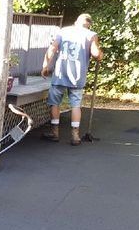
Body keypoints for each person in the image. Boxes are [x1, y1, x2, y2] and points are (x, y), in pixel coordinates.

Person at [41, 13, 104, 145]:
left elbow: (52, 48)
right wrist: (100, 55)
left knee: (55, 103)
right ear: (89, 25)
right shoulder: (91, 34)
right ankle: (75, 135)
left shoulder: (63, 32)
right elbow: (96, 54)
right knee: (75, 104)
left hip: (60, 74)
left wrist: (46, 65)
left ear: (76, 22)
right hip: (77, 76)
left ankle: (55, 132)